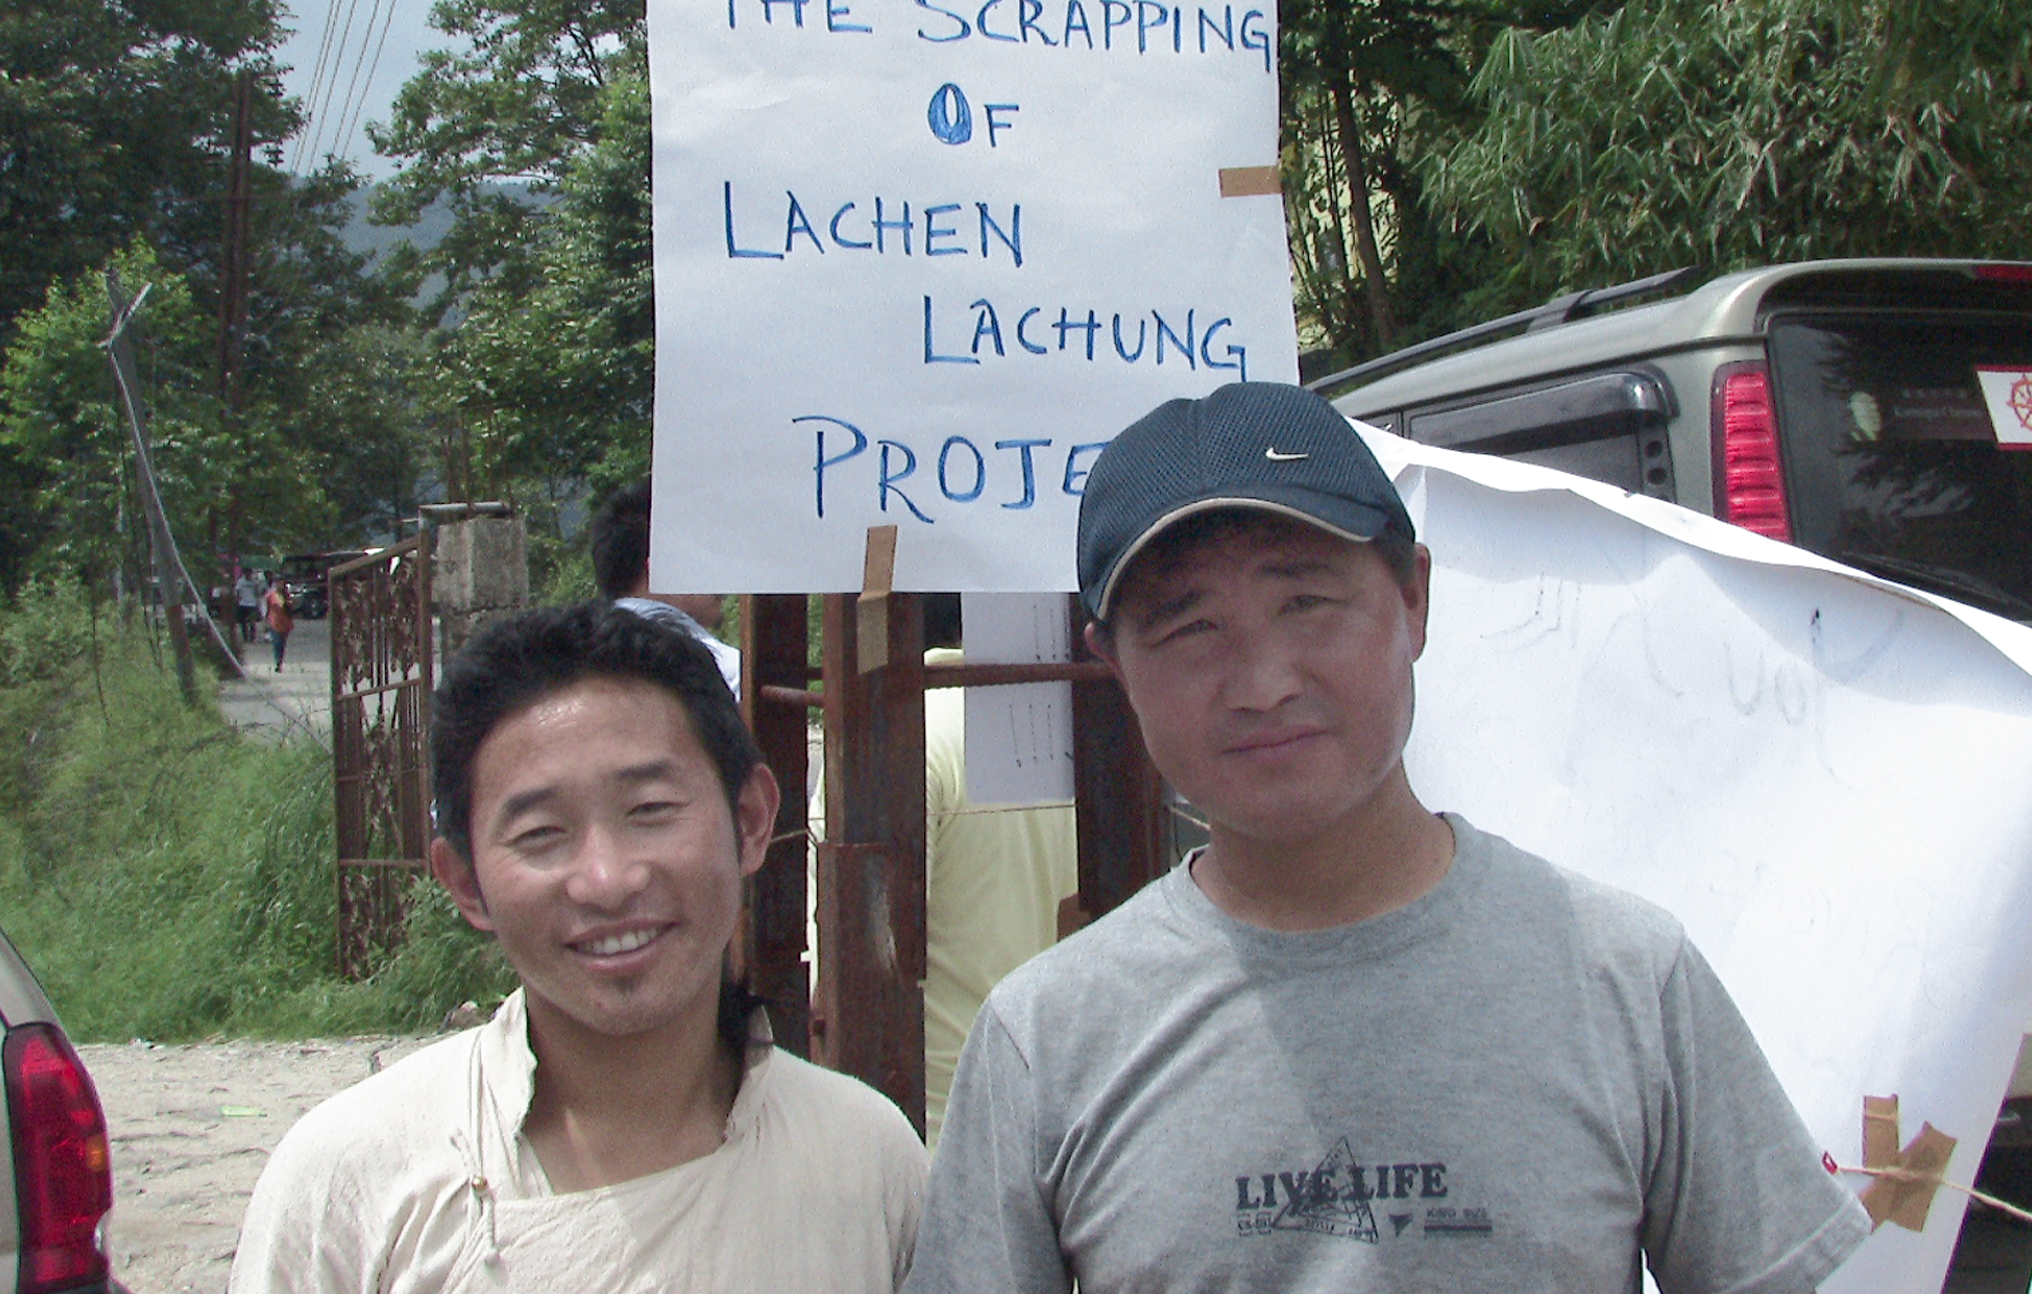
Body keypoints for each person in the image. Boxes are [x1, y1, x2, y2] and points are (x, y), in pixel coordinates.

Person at [904, 381, 1871, 1294]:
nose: (1263, 681)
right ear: (1112, 664)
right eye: (1190, 627)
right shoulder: (1048, 1041)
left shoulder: (1625, 980)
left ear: (1414, 597)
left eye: (1307, 603)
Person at [230, 604, 926, 1292]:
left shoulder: (867, 1161)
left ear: (748, 821)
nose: (607, 880)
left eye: (650, 811)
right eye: (540, 834)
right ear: (466, 883)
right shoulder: (354, 1182)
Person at [917, 594, 1078, 1151]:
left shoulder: (908, 735)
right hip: (1049, 1120)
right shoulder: (1060, 733)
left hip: (933, 1131)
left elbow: (852, 966)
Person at [590, 478, 741, 695]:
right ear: (662, 567)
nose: (723, 575)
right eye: (708, 556)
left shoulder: (562, 664)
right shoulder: (731, 675)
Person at [261, 572, 292, 673]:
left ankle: (280, 660)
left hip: (284, 622)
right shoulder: (270, 595)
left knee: (282, 643)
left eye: (281, 582)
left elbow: (291, 608)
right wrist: (265, 622)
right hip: (274, 621)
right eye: (278, 582)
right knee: (276, 642)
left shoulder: (286, 595)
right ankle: (277, 662)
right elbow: (266, 609)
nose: (280, 584)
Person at [234, 567, 261, 644]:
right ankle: (245, 636)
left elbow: (256, 592)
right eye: (246, 573)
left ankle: (252, 637)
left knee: (252, 621)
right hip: (243, 603)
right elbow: (238, 591)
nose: (248, 575)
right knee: (243, 622)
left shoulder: (254, 582)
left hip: (252, 604)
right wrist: (238, 600)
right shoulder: (240, 582)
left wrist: (257, 602)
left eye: (249, 573)